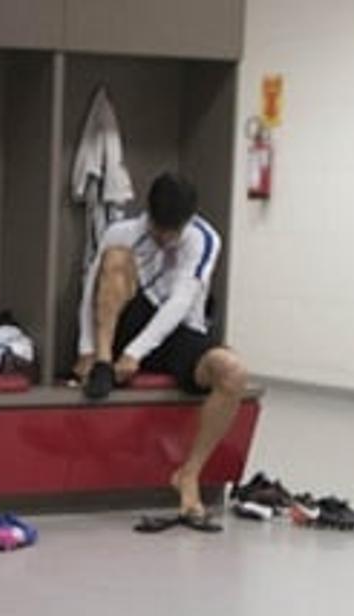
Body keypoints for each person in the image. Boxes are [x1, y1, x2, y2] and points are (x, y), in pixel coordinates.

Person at [74, 172, 252, 530]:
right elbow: (90, 290)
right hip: (128, 321)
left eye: (173, 231)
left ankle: (188, 474)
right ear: (149, 214)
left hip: (179, 332)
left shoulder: (204, 239)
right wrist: (89, 351)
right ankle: (104, 367)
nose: (166, 237)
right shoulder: (121, 232)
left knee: (233, 372)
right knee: (115, 260)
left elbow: (181, 302)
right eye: (160, 229)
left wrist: (137, 353)